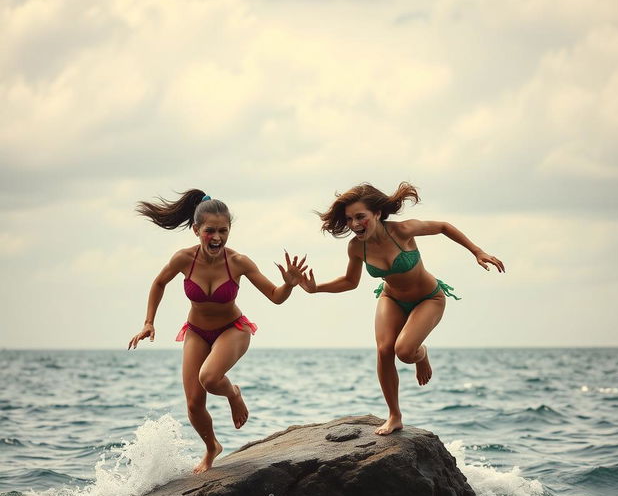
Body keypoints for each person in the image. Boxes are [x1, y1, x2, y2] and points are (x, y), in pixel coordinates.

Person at [299, 182, 504, 435]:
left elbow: (443, 227)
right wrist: (315, 287)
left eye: (360, 217)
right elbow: (350, 282)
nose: (354, 224)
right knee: (384, 350)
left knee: (405, 352)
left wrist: (477, 251)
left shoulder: (403, 230)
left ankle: (421, 353)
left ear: (377, 213)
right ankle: (394, 415)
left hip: (428, 298)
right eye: (350, 219)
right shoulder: (356, 247)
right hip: (391, 298)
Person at [128, 189, 307, 473]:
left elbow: (275, 295)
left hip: (232, 329)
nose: (217, 237)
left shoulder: (238, 262)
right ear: (196, 230)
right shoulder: (183, 259)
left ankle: (234, 393)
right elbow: (159, 282)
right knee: (194, 404)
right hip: (197, 332)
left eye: (223, 231)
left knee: (210, 378)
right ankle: (212, 448)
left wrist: (289, 284)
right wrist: (149, 322)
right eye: (210, 231)